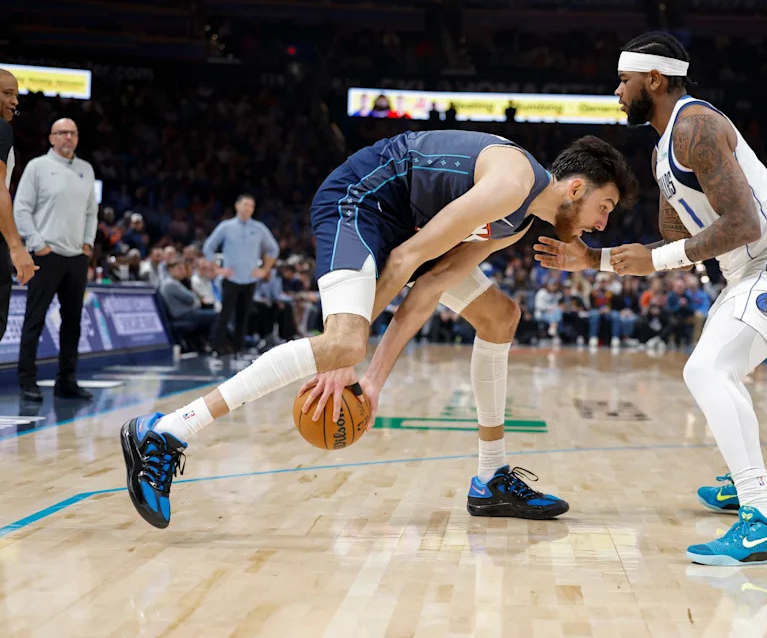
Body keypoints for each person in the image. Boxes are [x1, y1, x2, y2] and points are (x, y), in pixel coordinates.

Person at [120, 129, 637, 529]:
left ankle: (491, 476)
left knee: (501, 316)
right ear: (575, 187)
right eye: (604, 206)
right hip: (360, 202)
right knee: (343, 340)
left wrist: (372, 383)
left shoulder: (518, 221)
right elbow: (409, 258)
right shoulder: (511, 183)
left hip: (403, 231)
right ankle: (167, 430)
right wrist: (344, 356)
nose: (602, 222)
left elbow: (430, 285)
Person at [535, 32, 767, 566]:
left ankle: (762, 520)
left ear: (654, 79)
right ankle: (746, 487)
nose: (618, 91)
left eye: (624, 81)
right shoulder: (661, 153)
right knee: (718, 371)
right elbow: (672, 249)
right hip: (748, 274)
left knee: (706, 371)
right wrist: (593, 260)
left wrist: (657, 259)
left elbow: (741, 224)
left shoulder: (695, 125)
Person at [14, 118, 98, 402]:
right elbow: (21, 208)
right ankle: (27, 380)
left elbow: (91, 212)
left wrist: (88, 243)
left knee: (72, 322)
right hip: (46, 256)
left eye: (73, 133)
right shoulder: (38, 167)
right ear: (51, 138)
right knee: (34, 319)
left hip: (76, 257)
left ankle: (67, 380)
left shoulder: (86, 169)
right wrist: (38, 244)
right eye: (62, 133)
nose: (68, 137)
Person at [203, 194, 279, 356]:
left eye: (251, 206)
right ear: (237, 206)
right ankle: (216, 348)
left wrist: (265, 270)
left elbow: (273, 249)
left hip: (250, 278)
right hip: (231, 278)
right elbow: (208, 247)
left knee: (243, 316)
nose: (248, 208)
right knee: (225, 314)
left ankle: (239, 350)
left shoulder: (259, 228)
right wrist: (217, 269)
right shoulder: (226, 226)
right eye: (245, 204)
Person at [0, 68, 38, 342]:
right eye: (7, 94)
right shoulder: (1, 129)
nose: (14, 101)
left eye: (16, 95)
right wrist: (15, 245)